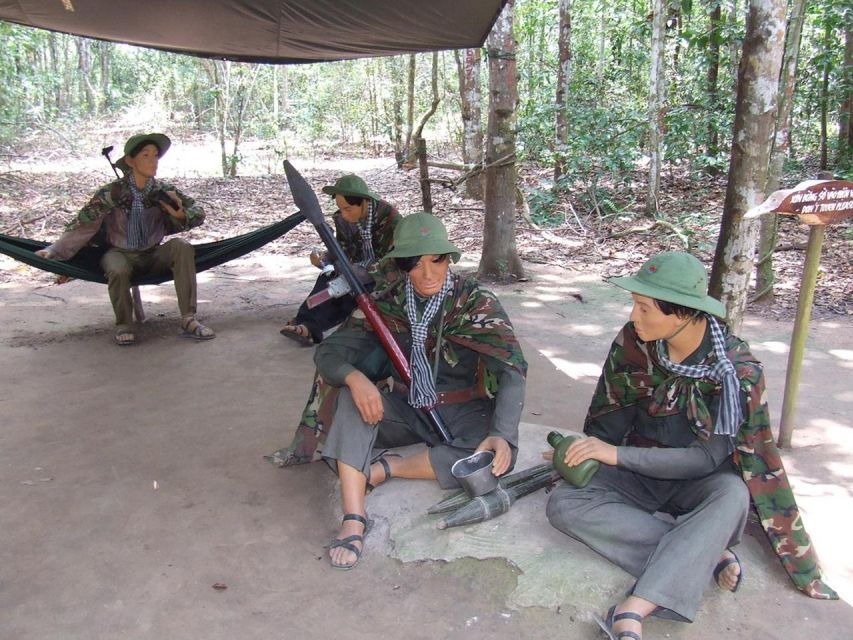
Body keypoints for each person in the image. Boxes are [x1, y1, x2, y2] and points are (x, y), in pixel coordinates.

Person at [544, 252, 836, 639]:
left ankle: (634, 607)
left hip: (700, 481)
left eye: (645, 308)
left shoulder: (736, 371)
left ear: (682, 313)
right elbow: (609, 416)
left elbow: (706, 458)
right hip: (636, 473)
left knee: (732, 494)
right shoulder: (636, 342)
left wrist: (613, 454)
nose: (634, 317)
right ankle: (704, 552)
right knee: (565, 503)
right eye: (635, 306)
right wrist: (584, 451)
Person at [313, 212, 527, 570]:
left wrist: (502, 434)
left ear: (449, 259)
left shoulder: (474, 302)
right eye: (416, 263)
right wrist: (355, 377)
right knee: (351, 399)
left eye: (437, 260)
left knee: (492, 462)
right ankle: (354, 517)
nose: (428, 274)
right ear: (402, 265)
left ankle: (385, 469)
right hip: (406, 407)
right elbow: (330, 352)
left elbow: (512, 371)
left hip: (464, 410)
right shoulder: (388, 302)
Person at [35, 133, 213, 346]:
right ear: (130, 161)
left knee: (182, 247)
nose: (153, 160)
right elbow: (85, 224)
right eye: (146, 155)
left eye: (156, 155)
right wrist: (55, 250)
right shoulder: (112, 193)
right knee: (117, 267)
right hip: (120, 254)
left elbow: (198, 213)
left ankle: (188, 318)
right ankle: (124, 325)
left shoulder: (163, 191)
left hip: (153, 254)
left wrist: (180, 214)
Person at [280, 174, 398, 345]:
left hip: (382, 281)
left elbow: (396, 262)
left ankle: (306, 324)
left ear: (364, 202)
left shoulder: (390, 219)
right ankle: (307, 325)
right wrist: (324, 259)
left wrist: (365, 273)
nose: (343, 214)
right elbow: (341, 252)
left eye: (348, 209)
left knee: (347, 295)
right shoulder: (343, 220)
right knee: (328, 281)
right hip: (352, 274)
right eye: (340, 209)